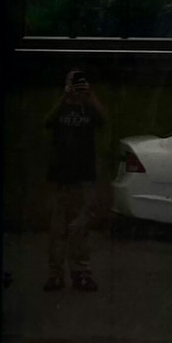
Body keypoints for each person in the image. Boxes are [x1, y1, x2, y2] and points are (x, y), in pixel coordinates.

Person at [44, 67, 106, 291]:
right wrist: (65, 97)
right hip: (60, 174)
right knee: (57, 227)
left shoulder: (88, 105)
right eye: (74, 82)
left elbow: (103, 120)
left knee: (81, 227)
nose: (77, 86)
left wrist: (89, 96)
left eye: (80, 82)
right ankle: (56, 274)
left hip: (84, 174)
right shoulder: (61, 104)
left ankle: (81, 273)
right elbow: (47, 122)